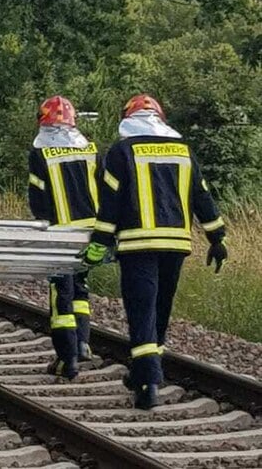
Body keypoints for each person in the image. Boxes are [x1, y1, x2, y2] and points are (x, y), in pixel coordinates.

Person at [81, 94, 227, 409]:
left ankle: (148, 382)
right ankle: (143, 372)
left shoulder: (121, 152)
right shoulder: (183, 151)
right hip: (176, 244)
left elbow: (111, 204)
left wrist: (99, 244)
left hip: (137, 245)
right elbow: (202, 197)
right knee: (160, 308)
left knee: (141, 310)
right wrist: (217, 238)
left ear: (128, 120)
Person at [28, 95, 101, 379]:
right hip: (89, 230)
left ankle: (67, 359)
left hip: (59, 233)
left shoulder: (40, 154)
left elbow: (37, 198)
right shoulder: (90, 150)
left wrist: (42, 227)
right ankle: (82, 344)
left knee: (62, 296)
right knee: (81, 289)